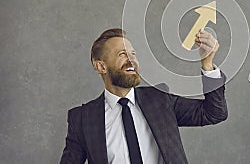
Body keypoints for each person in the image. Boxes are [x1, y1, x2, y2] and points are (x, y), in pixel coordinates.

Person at [60, 28, 228, 164]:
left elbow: (213, 113)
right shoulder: (82, 119)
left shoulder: (160, 100)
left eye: (133, 54)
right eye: (122, 54)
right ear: (101, 66)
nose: (132, 60)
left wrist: (207, 64)